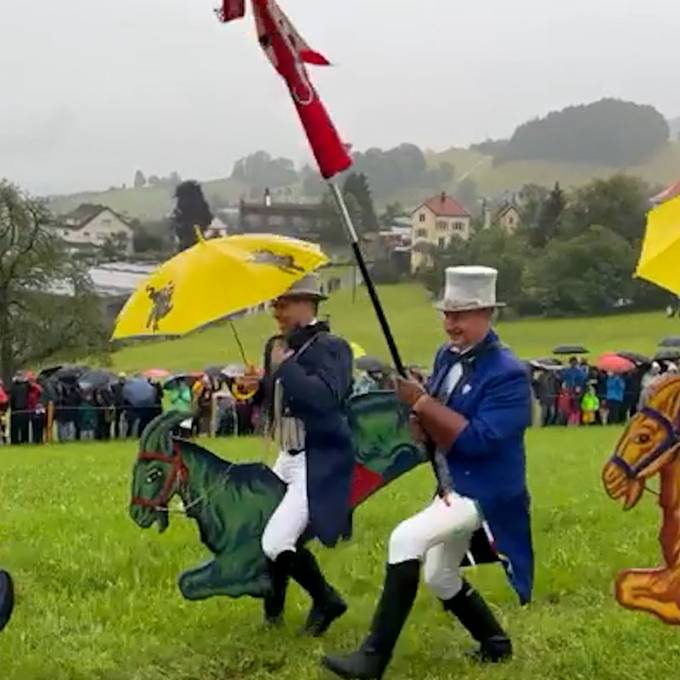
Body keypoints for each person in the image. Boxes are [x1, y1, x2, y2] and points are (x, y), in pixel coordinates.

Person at [323, 266, 534, 679]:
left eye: (462, 315)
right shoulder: (444, 356)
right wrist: (420, 418)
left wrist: (423, 403)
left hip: (487, 490)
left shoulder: (508, 373)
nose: (451, 323)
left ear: (488, 313)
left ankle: (372, 659)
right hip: (453, 483)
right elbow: (438, 419)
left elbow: (480, 441)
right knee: (439, 575)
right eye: (447, 313)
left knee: (405, 538)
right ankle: (495, 643)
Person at [238, 273, 354, 636]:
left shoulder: (333, 348)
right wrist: (255, 390)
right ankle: (272, 616)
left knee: (277, 541)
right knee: (266, 531)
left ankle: (326, 600)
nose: (276, 310)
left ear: (308, 303)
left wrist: (287, 367)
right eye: (274, 303)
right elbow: (275, 402)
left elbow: (324, 399)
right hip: (285, 454)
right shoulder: (276, 346)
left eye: (283, 303)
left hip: (317, 459)